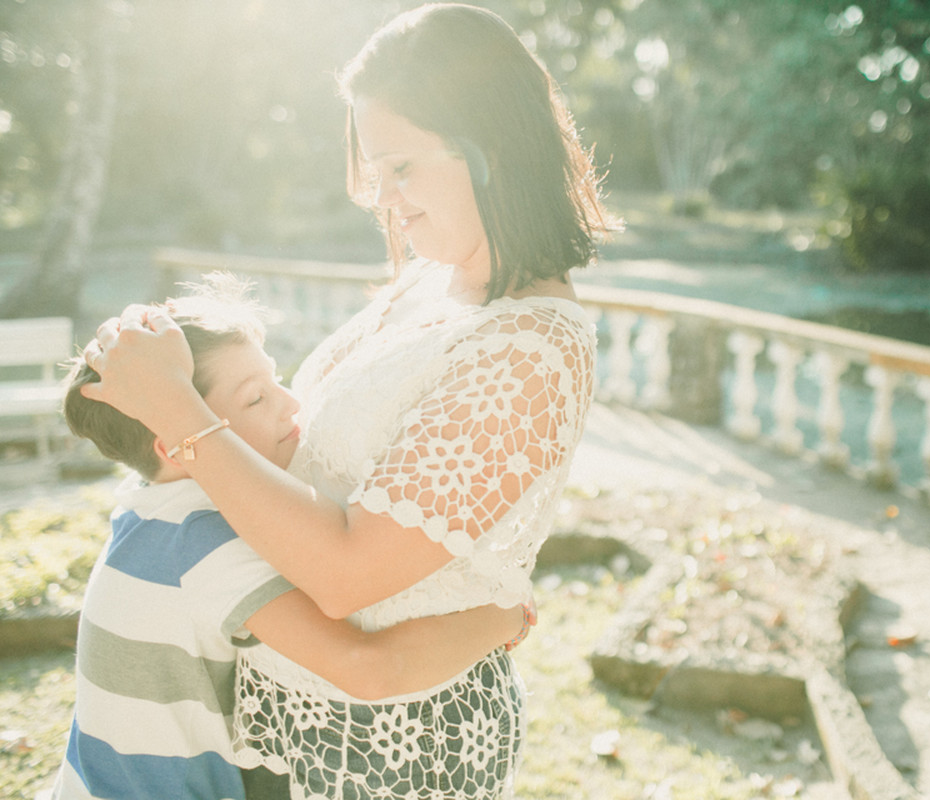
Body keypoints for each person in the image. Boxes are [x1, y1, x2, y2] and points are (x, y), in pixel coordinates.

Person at [81, 3, 618, 798]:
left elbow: (347, 574)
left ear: (493, 150)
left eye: (401, 167)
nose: (383, 198)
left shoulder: (531, 349)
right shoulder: (431, 281)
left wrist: (177, 410)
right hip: (287, 724)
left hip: (393, 743)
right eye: (375, 169)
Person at [54, 279, 531, 800]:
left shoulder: (146, 505)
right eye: (257, 397)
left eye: (275, 380)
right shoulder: (207, 544)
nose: (291, 403)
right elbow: (368, 669)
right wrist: (504, 615)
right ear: (175, 441)